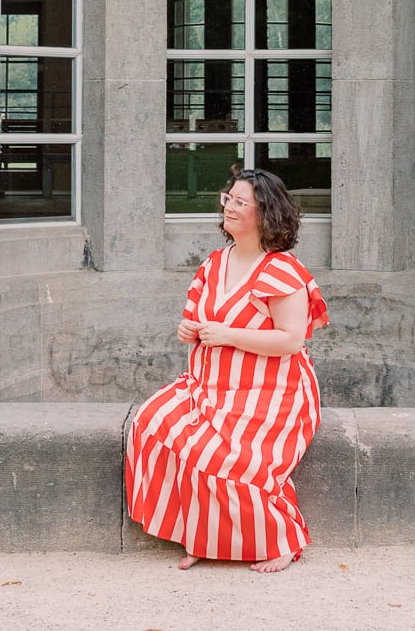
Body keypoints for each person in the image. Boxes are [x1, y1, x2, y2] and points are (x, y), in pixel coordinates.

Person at [125, 167, 329, 574]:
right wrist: (190, 330)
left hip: (272, 392)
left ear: (265, 213)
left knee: (222, 456)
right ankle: (203, 536)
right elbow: (198, 322)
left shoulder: (282, 272)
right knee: (152, 424)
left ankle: (282, 539)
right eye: (228, 199)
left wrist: (228, 335)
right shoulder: (215, 262)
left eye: (240, 203)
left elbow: (291, 340)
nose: (229, 208)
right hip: (210, 385)